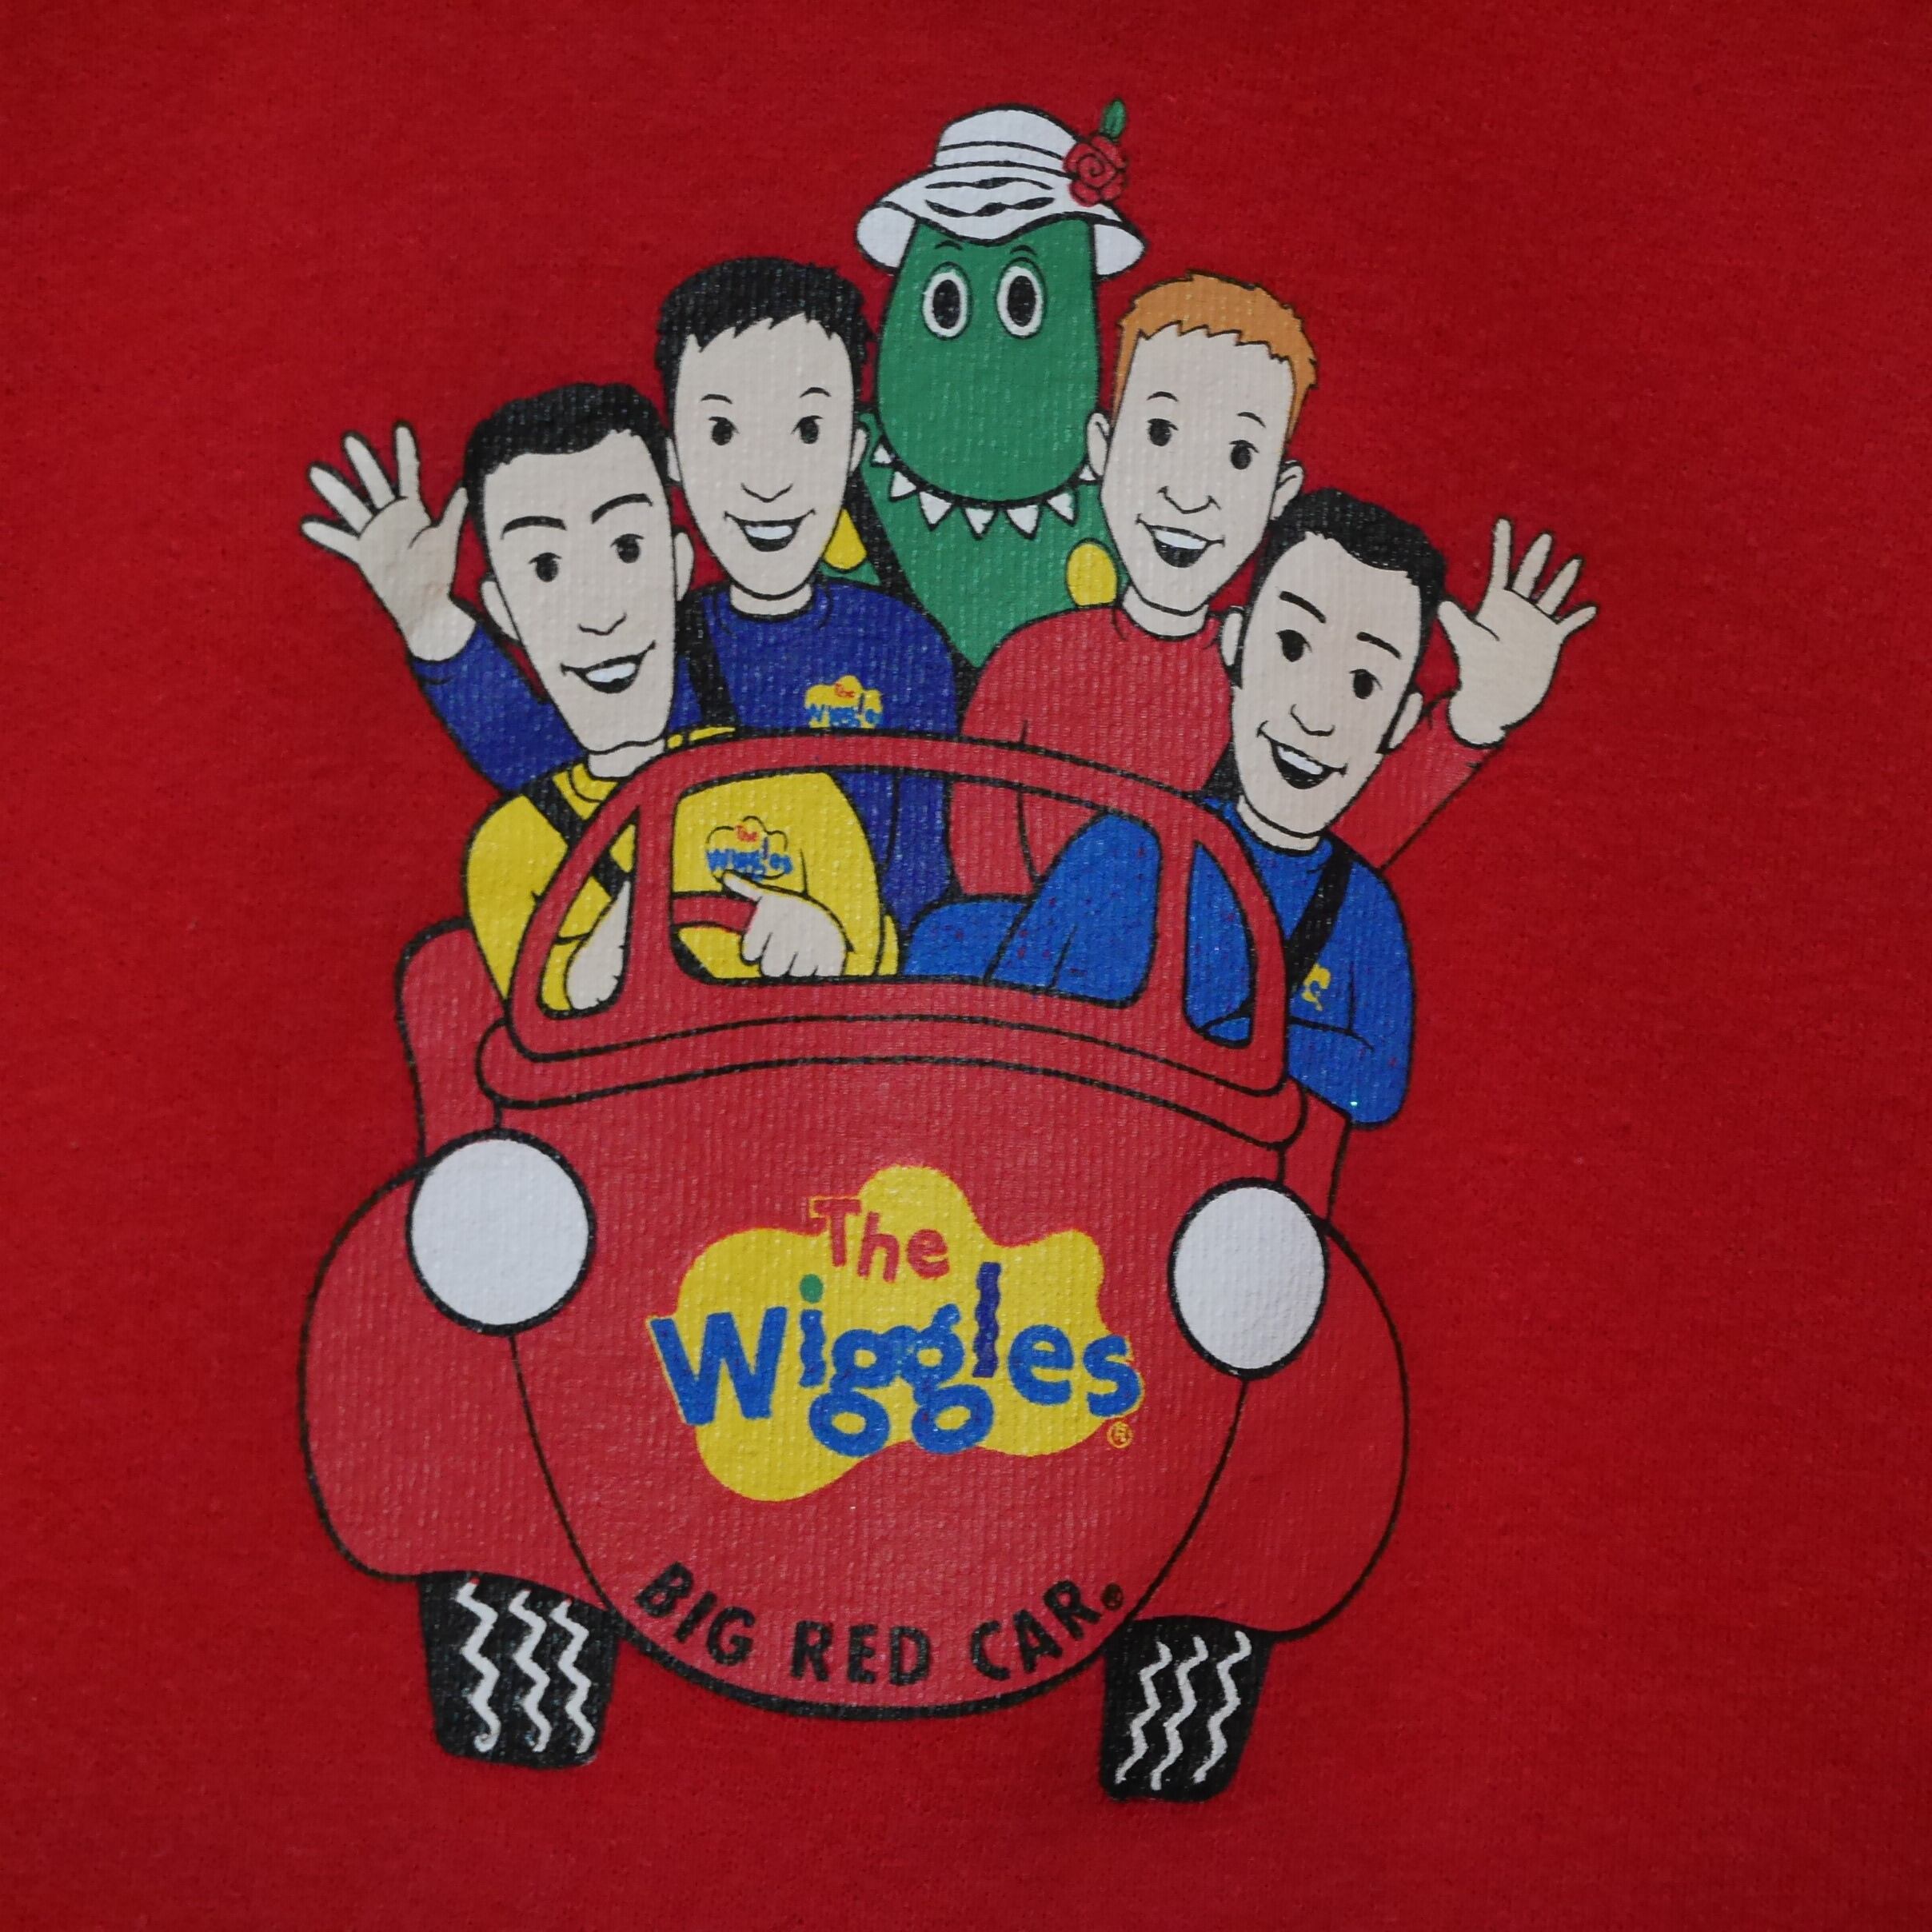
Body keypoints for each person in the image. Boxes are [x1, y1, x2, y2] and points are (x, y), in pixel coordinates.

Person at [301, 261, 957, 931]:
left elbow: (925, 858)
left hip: (863, 966)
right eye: (723, 433)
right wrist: (429, 618)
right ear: (675, 458)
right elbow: (545, 759)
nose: (767, 481)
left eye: (808, 431)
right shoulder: (666, 643)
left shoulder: (904, 645)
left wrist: (863, 956)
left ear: (852, 448)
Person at [912, 490, 1589, 1124]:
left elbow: (1379, 1085)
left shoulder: (1361, 907)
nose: (1316, 714)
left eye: (1363, 682)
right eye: (1292, 647)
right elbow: (1010, 1024)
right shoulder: (1126, 849)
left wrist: (1253, 1031)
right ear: (1235, 647)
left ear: (1400, 720)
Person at [948, 274, 1596, 894]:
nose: (1189, 493)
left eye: (1239, 456)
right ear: (1102, 447)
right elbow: (983, 853)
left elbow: (1324, 853)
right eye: (1160, 433)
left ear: (1280, 492)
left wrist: (1473, 721)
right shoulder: (1031, 661)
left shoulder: (1267, 680)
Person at [309, 381, 892, 1008]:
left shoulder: (788, 787)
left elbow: (883, 976)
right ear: (502, 610)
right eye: (546, 568)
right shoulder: (515, 846)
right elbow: (538, 1021)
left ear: (678, 566)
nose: (600, 615)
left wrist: (823, 945)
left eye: (626, 548)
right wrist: (426, 617)